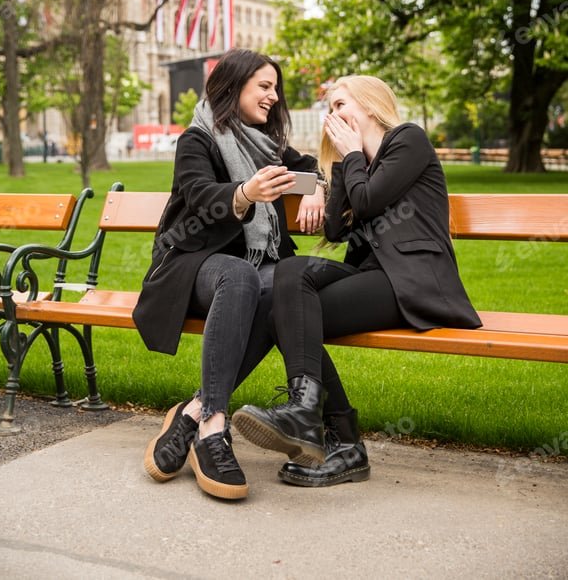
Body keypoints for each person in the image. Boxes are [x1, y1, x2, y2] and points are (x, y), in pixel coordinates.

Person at [233, 75, 482, 488]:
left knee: (284, 314)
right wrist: (327, 179)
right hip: (374, 275)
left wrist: (352, 158)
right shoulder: (354, 161)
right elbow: (333, 230)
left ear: (369, 105)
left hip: (414, 280)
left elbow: (368, 201)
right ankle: (314, 420)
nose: (334, 115)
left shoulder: (409, 140)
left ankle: (332, 432)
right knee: (289, 283)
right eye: (330, 109)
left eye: (341, 105)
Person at [132, 48, 325, 500]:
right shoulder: (196, 139)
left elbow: (309, 166)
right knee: (241, 276)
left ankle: (195, 412)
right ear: (234, 85)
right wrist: (244, 193)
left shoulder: (269, 145)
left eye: (275, 88)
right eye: (264, 86)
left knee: (281, 288)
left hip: (246, 271)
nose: (274, 96)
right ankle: (215, 428)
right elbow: (199, 195)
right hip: (189, 263)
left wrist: (315, 188)